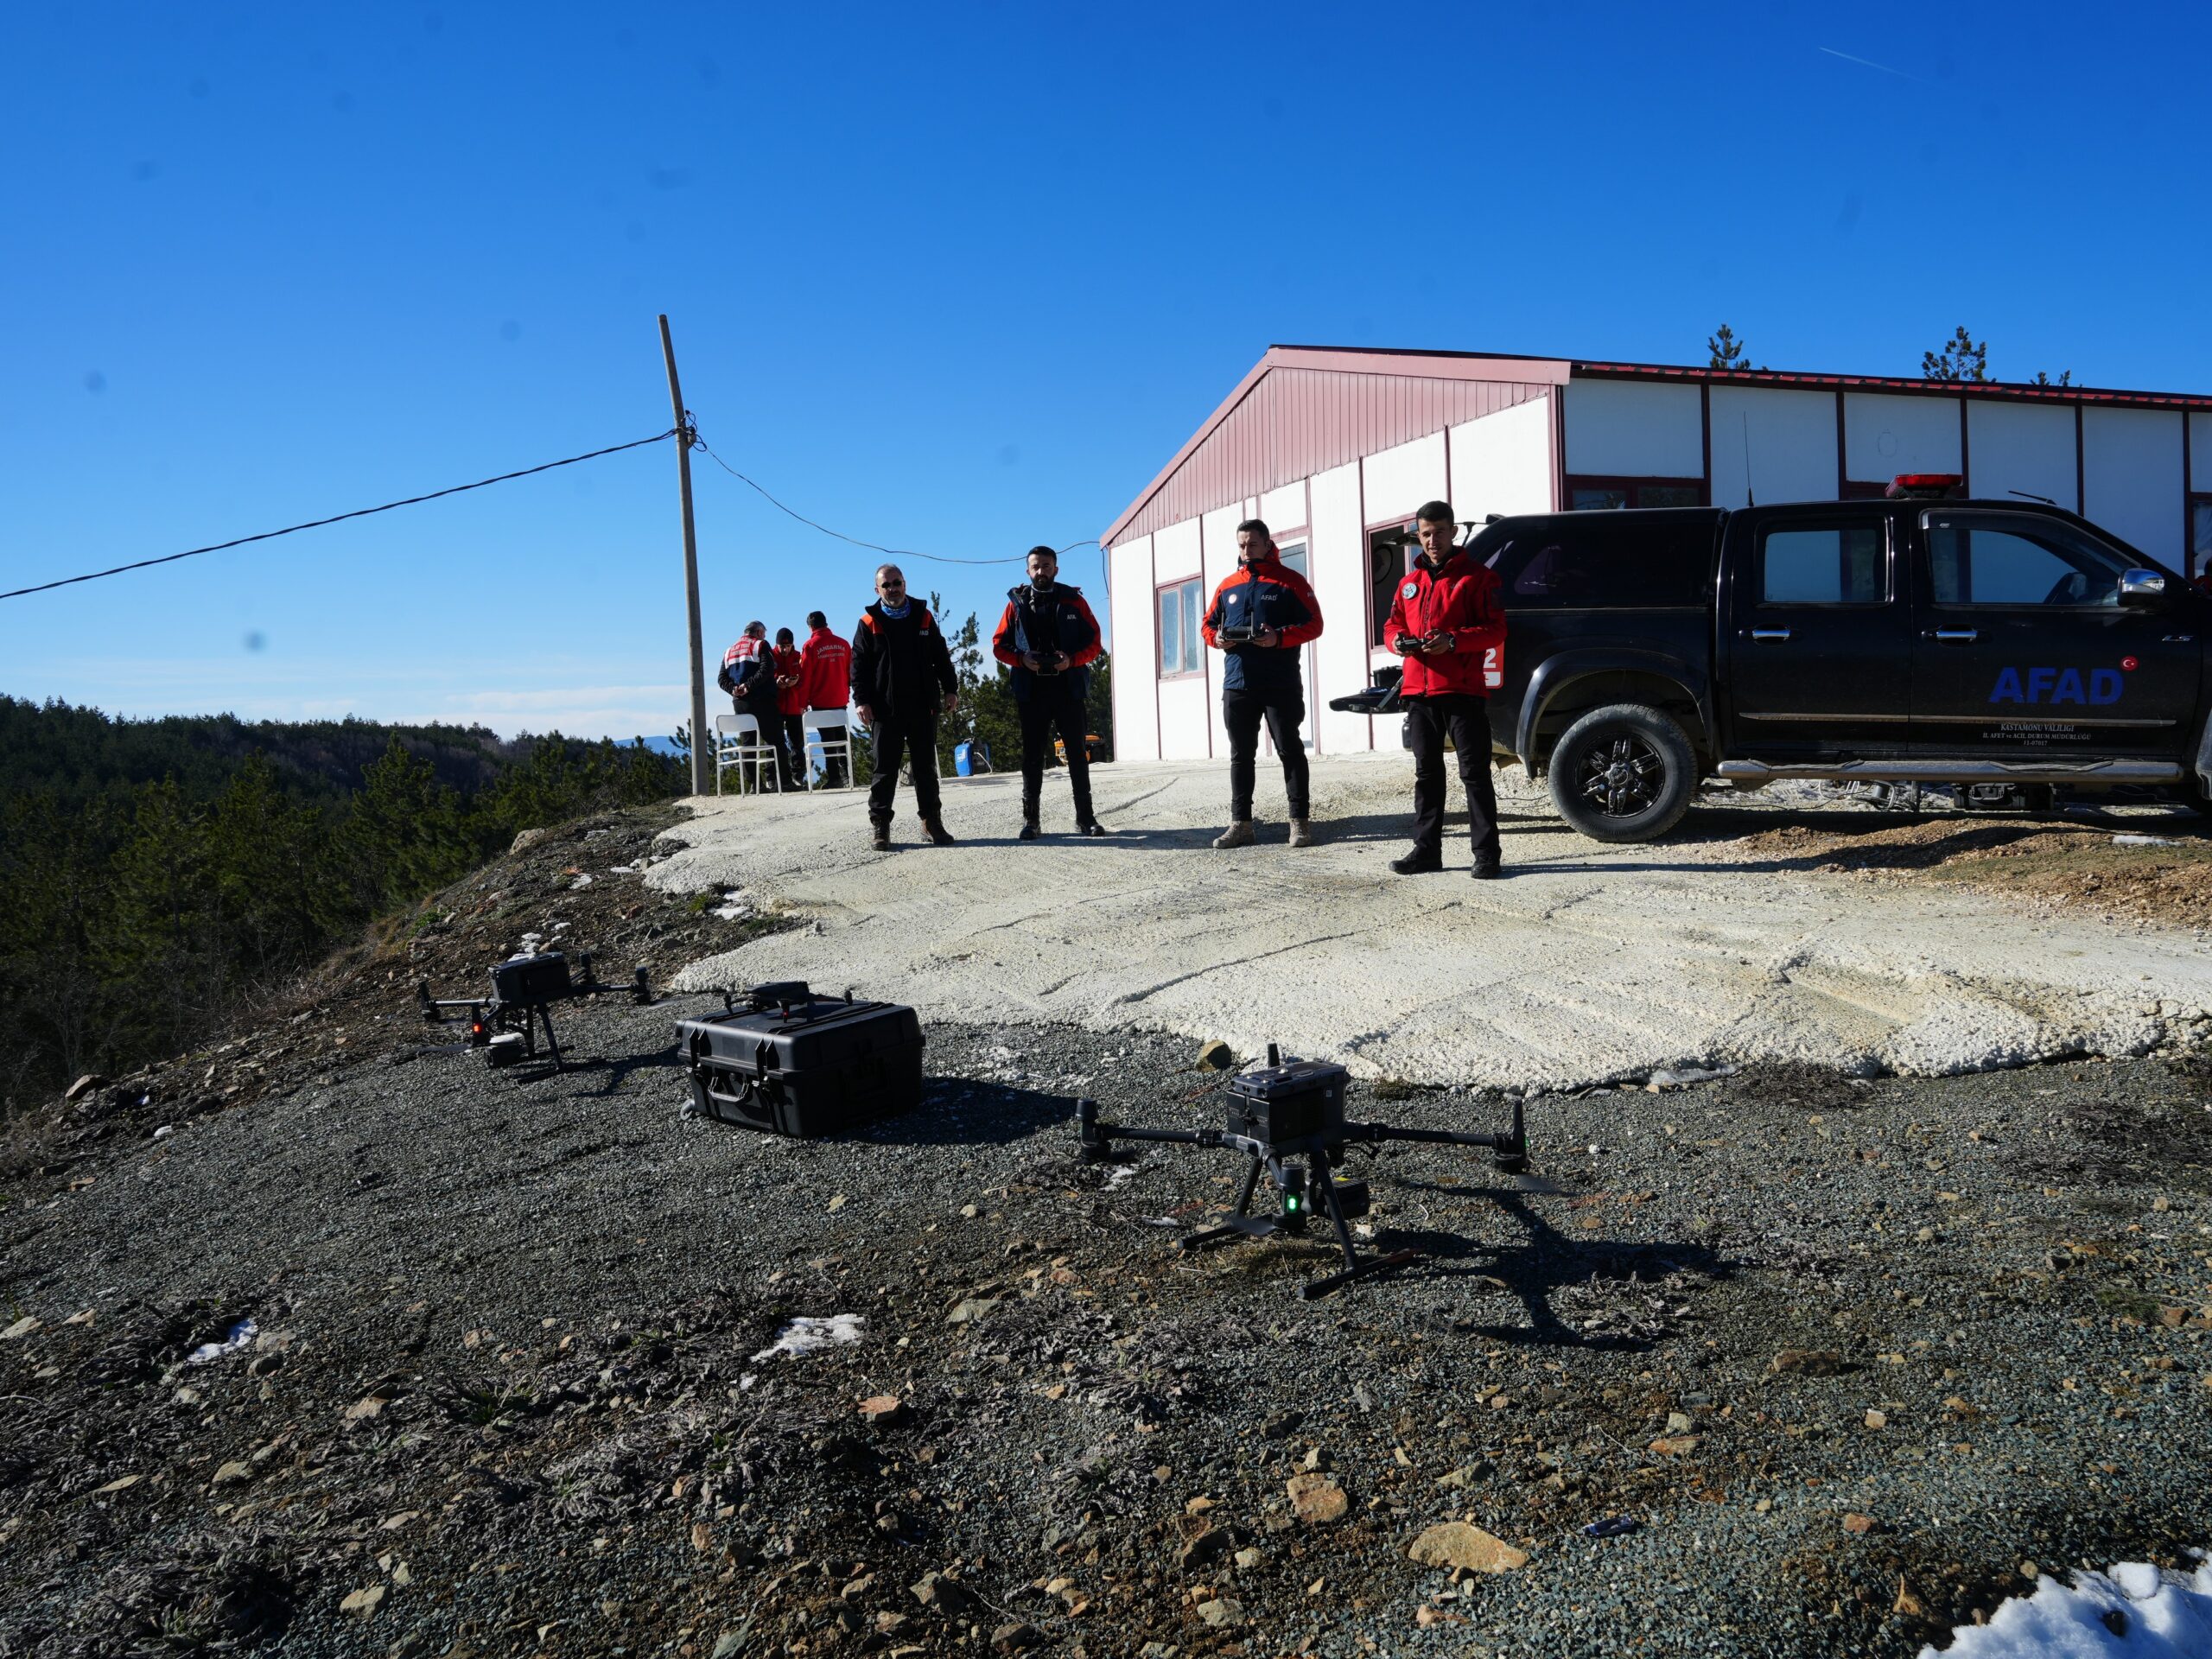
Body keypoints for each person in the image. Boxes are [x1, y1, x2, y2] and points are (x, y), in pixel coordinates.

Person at [1382, 499, 1508, 879]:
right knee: (1427, 775)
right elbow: (1391, 625)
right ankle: (1426, 852)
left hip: (1462, 692)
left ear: (1453, 532)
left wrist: (1452, 641)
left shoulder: (1478, 578)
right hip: (1419, 693)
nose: (1432, 540)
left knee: (1474, 774)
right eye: (1425, 534)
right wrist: (1397, 641)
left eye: (1439, 532)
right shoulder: (1408, 584)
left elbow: (1496, 630)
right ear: (1418, 537)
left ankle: (1486, 855)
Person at [1202, 519, 1324, 848]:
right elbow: (1207, 626)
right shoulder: (1228, 585)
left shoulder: (1290, 581)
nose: (1246, 550)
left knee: (1290, 749)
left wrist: (1278, 637)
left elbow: (1315, 624)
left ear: (1268, 544)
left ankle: (1300, 823)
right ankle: (1241, 824)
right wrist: (1218, 639)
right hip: (1237, 682)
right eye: (1241, 545)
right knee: (1240, 755)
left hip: (1279, 682)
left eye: (1252, 544)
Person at [992, 544, 1106, 839]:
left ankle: (1086, 819)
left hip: (1069, 688)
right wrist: (1022, 660)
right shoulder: (1016, 603)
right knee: (1032, 756)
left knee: (1078, 755)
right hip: (1031, 691)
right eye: (1036, 566)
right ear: (1028, 571)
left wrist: (1072, 660)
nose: (1041, 571)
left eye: (1046, 566)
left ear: (1056, 569)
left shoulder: (1074, 601)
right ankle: (1031, 822)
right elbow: (998, 645)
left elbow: (1094, 641)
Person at [851, 563, 959, 850]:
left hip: (923, 706)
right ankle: (881, 826)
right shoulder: (868, 622)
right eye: (886, 585)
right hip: (884, 709)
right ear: (877, 590)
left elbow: (940, 655)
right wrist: (861, 700)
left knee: (925, 769)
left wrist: (951, 688)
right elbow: (858, 666)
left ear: (905, 584)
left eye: (896, 583)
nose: (892, 589)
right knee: (884, 770)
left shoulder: (923, 616)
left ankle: (931, 823)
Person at [716, 620, 782, 791]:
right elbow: (767, 669)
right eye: (764, 633)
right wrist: (749, 685)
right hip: (762, 699)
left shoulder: (729, 651)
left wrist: (734, 689)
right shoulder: (760, 645)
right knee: (775, 740)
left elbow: (721, 679)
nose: (764, 637)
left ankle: (755, 784)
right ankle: (783, 782)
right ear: (759, 633)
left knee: (748, 743)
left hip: (740, 703)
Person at [798, 609, 854, 786]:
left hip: (821, 701)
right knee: (842, 739)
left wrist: (802, 703)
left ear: (810, 627)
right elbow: (851, 672)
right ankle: (848, 776)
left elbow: (805, 677)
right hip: (840, 700)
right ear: (826, 623)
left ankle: (835, 778)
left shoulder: (810, 646)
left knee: (828, 741)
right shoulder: (843, 644)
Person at [771, 626, 807, 788]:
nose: (785, 649)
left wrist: (795, 682)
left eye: (788, 646)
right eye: (782, 646)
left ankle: (798, 776)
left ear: (792, 644)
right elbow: (765, 677)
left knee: (797, 744)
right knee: (773, 743)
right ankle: (773, 778)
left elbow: (805, 679)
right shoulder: (770, 656)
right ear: (776, 645)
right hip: (775, 707)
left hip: (794, 706)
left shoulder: (798, 657)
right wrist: (776, 681)